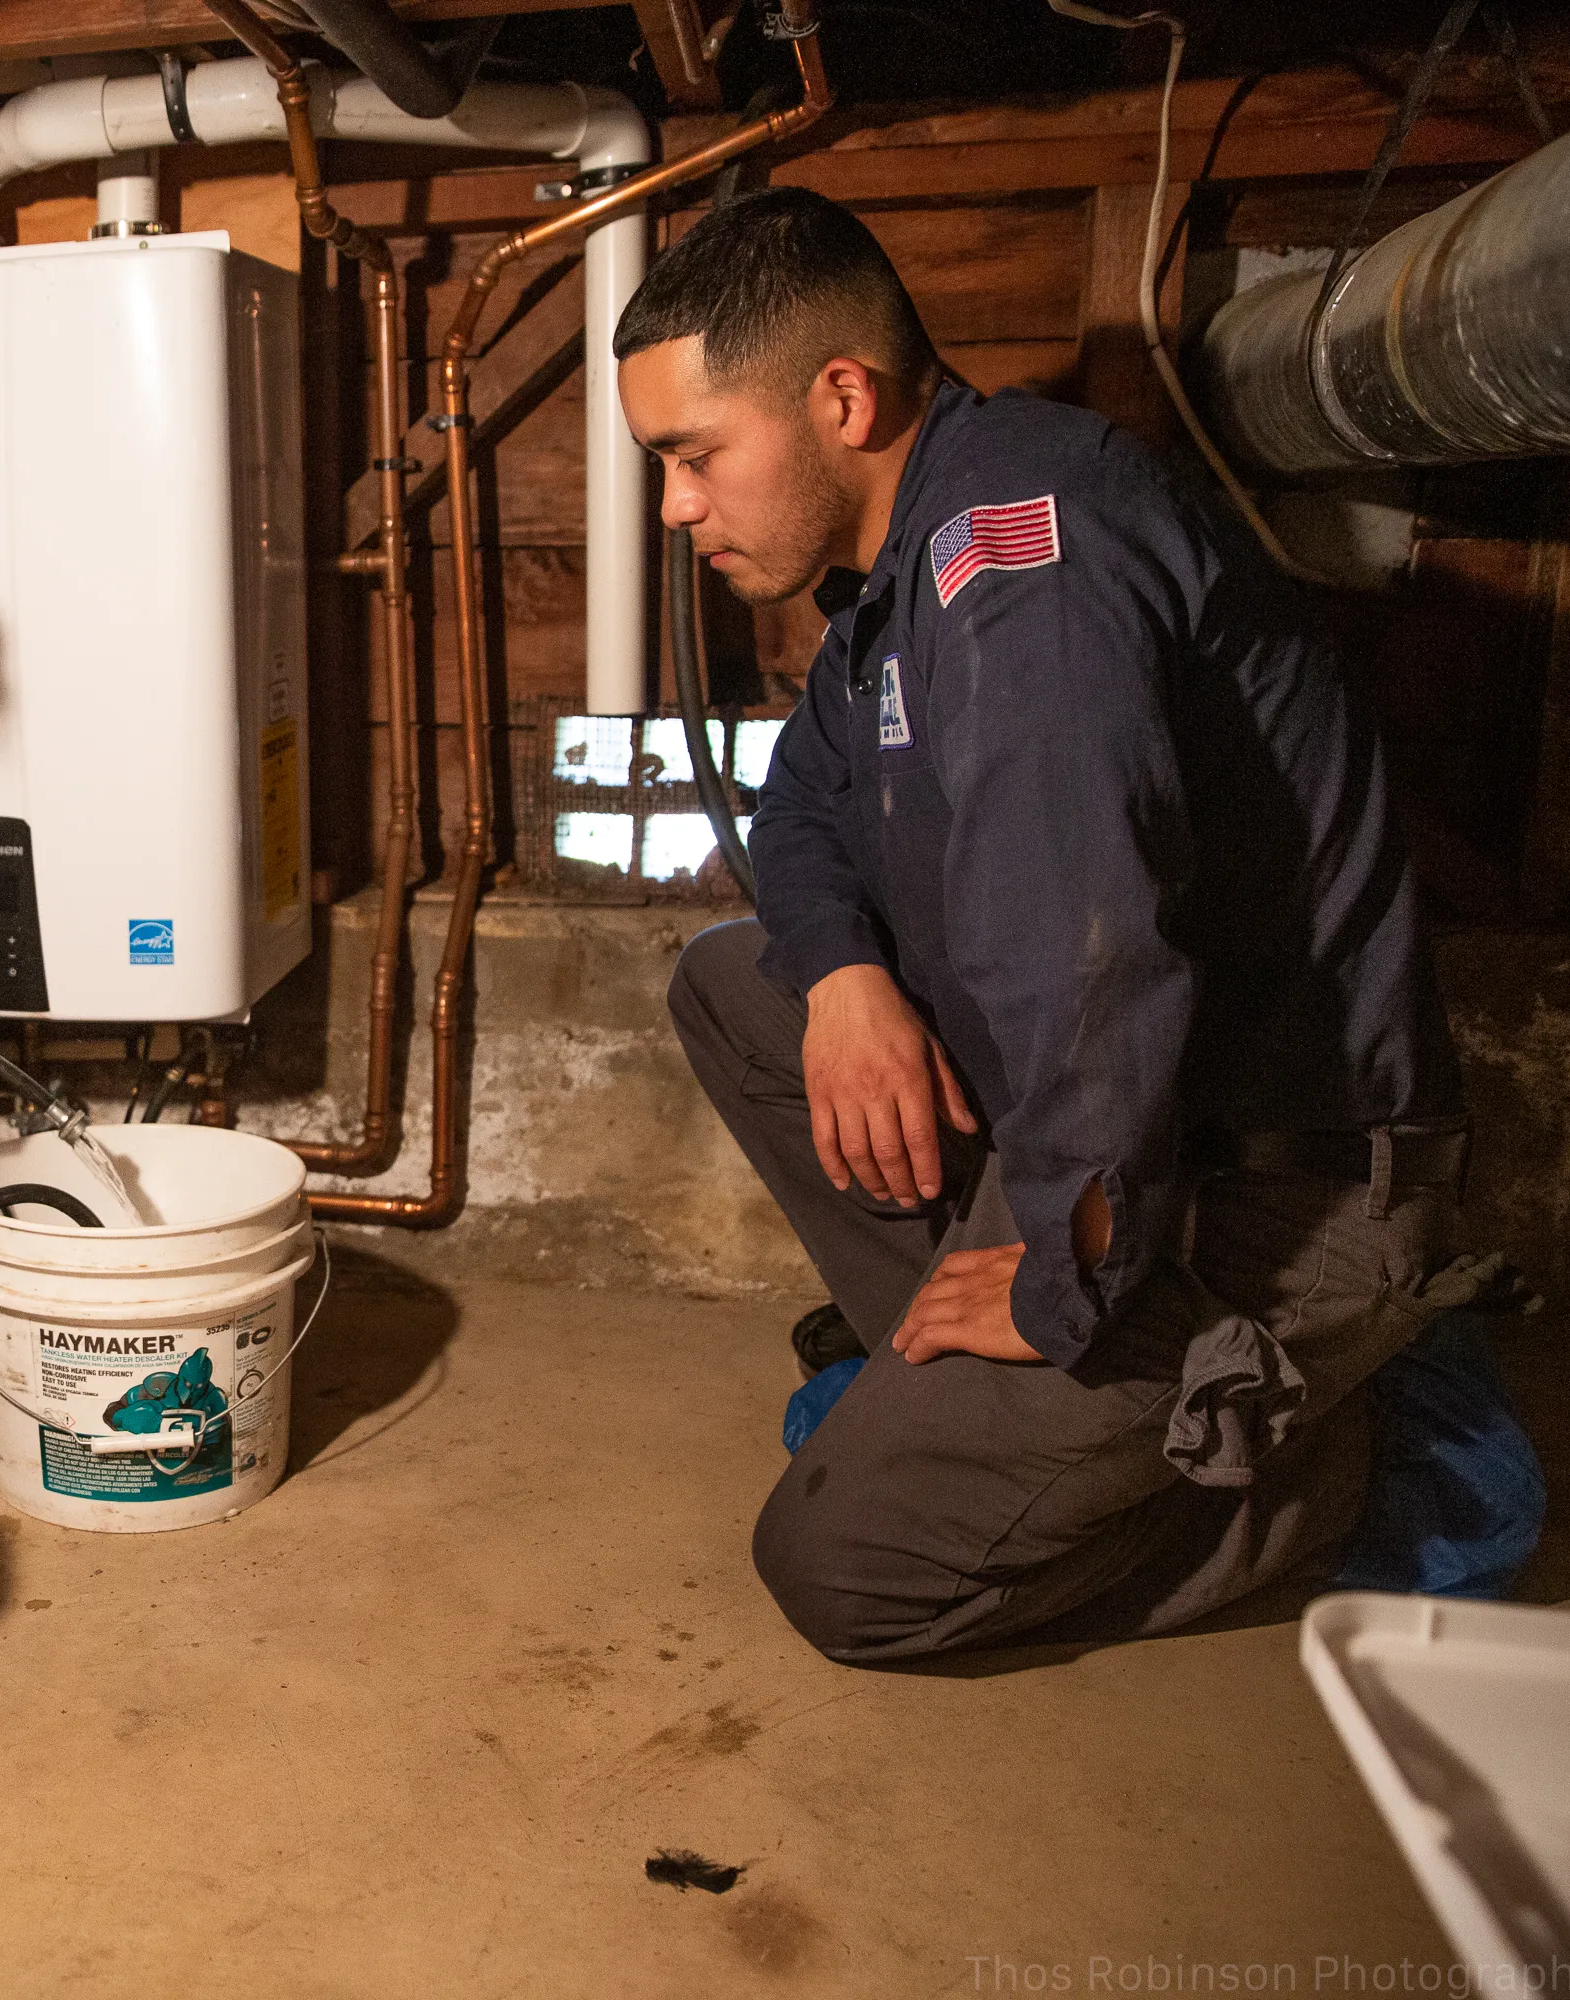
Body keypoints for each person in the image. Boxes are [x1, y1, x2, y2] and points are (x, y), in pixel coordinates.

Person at [615, 188, 1474, 1660]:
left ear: (842, 395)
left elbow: (1086, 956)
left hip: (1265, 1193)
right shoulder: (900, 576)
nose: (676, 506)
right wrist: (842, 985)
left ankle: (1303, 1471)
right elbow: (800, 810)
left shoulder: (1021, 562)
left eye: (694, 456)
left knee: (848, 1571)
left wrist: (1065, 1277)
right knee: (736, 984)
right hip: (1116, 1134)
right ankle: (1014, 1382)